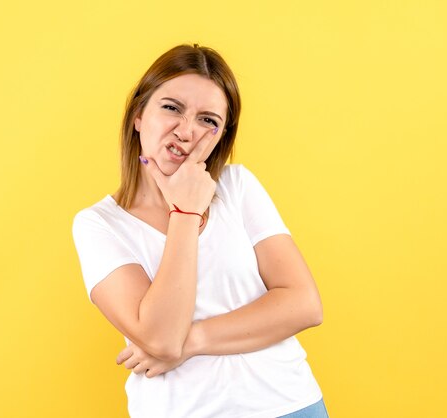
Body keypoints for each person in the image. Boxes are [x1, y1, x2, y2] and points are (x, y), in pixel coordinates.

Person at [72, 44, 329, 418]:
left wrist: (190, 341)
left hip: (290, 404)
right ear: (138, 115)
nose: (187, 130)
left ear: (221, 135)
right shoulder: (99, 224)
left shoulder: (237, 185)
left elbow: (304, 304)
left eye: (208, 119)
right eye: (171, 107)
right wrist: (186, 211)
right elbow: (160, 336)